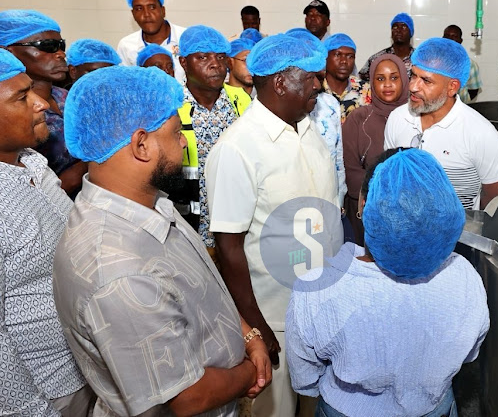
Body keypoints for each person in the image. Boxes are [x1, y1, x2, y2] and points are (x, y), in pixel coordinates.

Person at [53, 65, 271, 416]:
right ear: (141, 144)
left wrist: (248, 335)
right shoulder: (117, 271)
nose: (184, 141)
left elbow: (203, 293)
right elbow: (187, 397)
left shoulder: (152, 204)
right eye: (175, 132)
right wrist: (251, 371)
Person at [286, 148, 490, 417]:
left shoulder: (318, 285)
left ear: (362, 205)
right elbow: (469, 353)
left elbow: (305, 377)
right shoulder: (463, 276)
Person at [206, 34, 342, 417]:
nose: (319, 83)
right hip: (276, 320)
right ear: (281, 82)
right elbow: (228, 248)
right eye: (311, 76)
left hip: (321, 309)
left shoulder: (308, 129)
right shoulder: (238, 149)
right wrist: (257, 328)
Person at [0, 49, 95, 416]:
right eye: (22, 98)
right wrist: (33, 410)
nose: (42, 104)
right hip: (44, 391)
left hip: (83, 371)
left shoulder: (35, 164)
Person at [385, 37, 498, 210]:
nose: (413, 86)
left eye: (426, 80)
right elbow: (390, 178)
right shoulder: (398, 119)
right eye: (413, 75)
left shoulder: (481, 135)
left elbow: (496, 203)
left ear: (452, 87)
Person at [0, 9, 87, 197]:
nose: (60, 54)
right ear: (7, 51)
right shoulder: (10, 112)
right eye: (47, 45)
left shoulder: (69, 97)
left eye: (61, 45)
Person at [175, 25, 240, 253]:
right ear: (184, 62)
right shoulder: (171, 106)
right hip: (192, 229)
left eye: (221, 57)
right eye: (203, 57)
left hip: (239, 224)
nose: (215, 64)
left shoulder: (240, 100)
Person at [342, 54, 408, 245]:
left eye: (394, 78)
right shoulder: (359, 118)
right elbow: (349, 168)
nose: (387, 84)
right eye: (380, 79)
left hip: (409, 215)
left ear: (404, 79)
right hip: (366, 214)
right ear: (372, 82)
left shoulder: (416, 118)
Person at [286, 28, 346, 207]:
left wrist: (339, 200)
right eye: (310, 77)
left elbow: (338, 160)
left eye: (319, 77)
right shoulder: (274, 111)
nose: (316, 85)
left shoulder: (329, 106)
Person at [116, 0, 186, 83]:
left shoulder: (185, 37)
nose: (146, 14)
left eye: (152, 7)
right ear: (133, 14)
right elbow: (125, 83)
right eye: (139, 8)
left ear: (163, 11)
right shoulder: (126, 46)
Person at [322, 33, 370, 123]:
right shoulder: (315, 89)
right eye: (337, 55)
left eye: (350, 56)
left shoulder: (366, 90)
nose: (344, 61)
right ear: (325, 58)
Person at [359, 12, 415, 85]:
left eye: (404, 27)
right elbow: (359, 81)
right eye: (395, 27)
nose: (399, 30)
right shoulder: (377, 59)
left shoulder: (420, 59)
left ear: (411, 32)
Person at [443, 24, 483, 103]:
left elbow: (474, 90)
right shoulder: (434, 61)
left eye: (454, 36)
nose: (450, 39)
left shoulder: (470, 64)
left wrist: (462, 103)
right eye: (447, 36)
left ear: (460, 41)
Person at [226, 37, 256, 112]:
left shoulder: (264, 97)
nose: (251, 66)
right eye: (245, 60)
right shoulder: (220, 99)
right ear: (230, 62)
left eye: (255, 61)